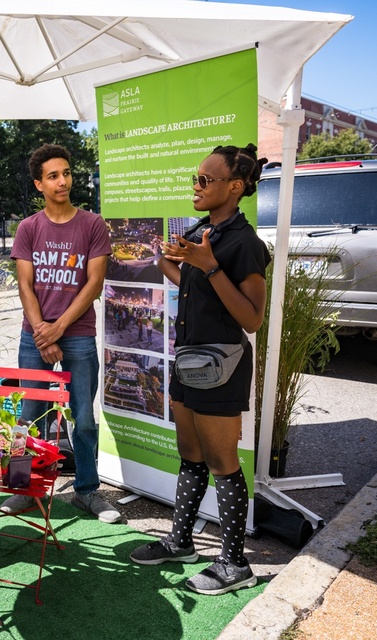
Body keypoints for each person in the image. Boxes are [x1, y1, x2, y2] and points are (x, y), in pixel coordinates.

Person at [129, 144, 271, 596]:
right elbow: (185, 276)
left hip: (222, 364)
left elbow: (251, 319)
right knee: (189, 455)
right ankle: (181, 542)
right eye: (195, 178)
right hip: (188, 359)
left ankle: (234, 564)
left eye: (205, 180)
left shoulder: (245, 243)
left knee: (222, 463)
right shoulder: (201, 231)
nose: (196, 185)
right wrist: (175, 261)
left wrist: (209, 267)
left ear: (234, 187)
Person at [2, 143, 122, 524]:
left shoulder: (92, 224)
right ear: (39, 183)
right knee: (29, 415)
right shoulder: (28, 228)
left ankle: (87, 491)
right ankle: (23, 487)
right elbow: (25, 285)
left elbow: (94, 283)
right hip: (34, 336)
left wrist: (58, 328)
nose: (63, 181)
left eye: (67, 173)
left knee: (83, 417)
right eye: (53, 175)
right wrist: (42, 332)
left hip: (78, 334)